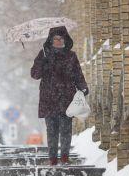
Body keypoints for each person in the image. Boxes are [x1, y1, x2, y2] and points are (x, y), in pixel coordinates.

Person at [30, 26, 88, 166]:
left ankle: (65, 157)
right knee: (52, 130)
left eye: (60, 38)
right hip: (48, 98)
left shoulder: (71, 55)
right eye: (55, 38)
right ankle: (53, 158)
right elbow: (35, 75)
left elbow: (77, 74)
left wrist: (83, 87)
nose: (58, 41)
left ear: (65, 39)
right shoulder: (43, 54)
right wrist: (43, 61)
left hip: (66, 97)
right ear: (50, 40)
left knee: (66, 130)